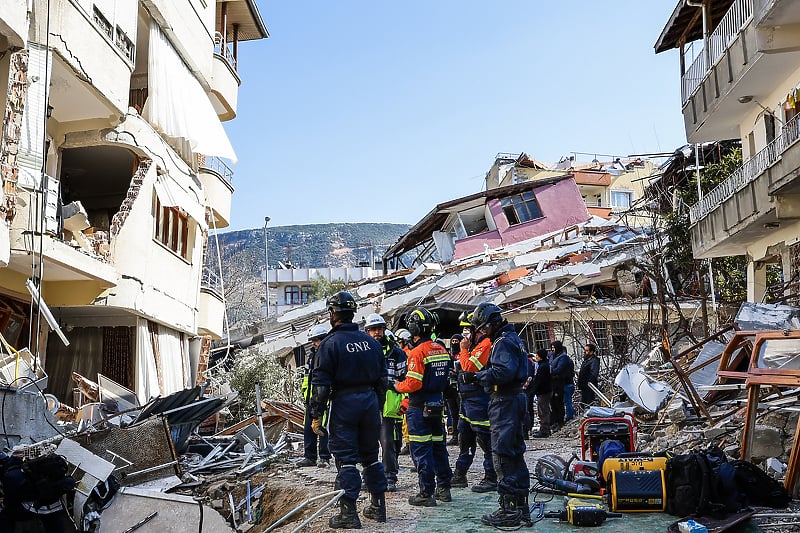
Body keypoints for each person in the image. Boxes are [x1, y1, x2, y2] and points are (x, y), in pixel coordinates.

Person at [309, 291, 388, 528]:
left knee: (346, 459)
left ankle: (349, 514)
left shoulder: (329, 344)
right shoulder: (372, 343)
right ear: (353, 313)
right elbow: (382, 380)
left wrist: (316, 415)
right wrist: (378, 407)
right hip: (370, 403)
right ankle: (378, 507)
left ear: (333, 314)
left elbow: (321, 386)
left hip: (345, 405)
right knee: (371, 456)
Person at [461, 303, 531, 527]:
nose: (481, 332)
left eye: (482, 328)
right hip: (515, 398)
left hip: (504, 401)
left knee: (502, 453)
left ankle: (508, 510)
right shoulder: (514, 339)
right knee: (515, 452)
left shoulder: (502, 342)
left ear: (491, 324)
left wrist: (478, 377)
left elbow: (502, 372)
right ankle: (521, 507)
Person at [393, 307, 453, 507]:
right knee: (439, 448)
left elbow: (413, 384)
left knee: (421, 450)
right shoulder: (441, 348)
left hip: (419, 409)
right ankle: (444, 489)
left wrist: (396, 386)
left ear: (413, 328)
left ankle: (426, 493)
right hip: (437, 406)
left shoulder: (417, 352)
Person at [452, 311, 497, 493]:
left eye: (467, 329)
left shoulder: (485, 344)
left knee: (485, 440)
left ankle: (491, 477)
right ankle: (460, 474)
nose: (464, 334)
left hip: (480, 399)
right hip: (467, 400)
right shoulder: (474, 345)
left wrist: (463, 350)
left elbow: (470, 367)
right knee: (465, 438)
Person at [364, 313, 407, 493]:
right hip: (368, 402)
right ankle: (368, 477)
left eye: (380, 329)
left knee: (388, 441)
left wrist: (403, 402)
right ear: (367, 331)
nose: (377, 333)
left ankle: (390, 477)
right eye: (373, 329)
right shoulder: (364, 351)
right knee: (367, 442)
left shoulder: (396, 353)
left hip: (389, 404)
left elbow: (405, 379)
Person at [298, 324, 332, 468]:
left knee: (322, 428)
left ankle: (325, 457)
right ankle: (310, 457)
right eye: (312, 340)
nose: (314, 343)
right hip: (311, 399)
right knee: (308, 428)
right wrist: (306, 396)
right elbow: (307, 379)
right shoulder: (311, 357)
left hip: (325, 399)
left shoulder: (329, 356)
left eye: (316, 340)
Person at [395, 328, 413, 456]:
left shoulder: (407, 354)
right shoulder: (405, 352)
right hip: (406, 387)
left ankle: (409, 443)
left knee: (406, 419)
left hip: (407, 388)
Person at [549, 340, 574, 432]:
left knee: (560, 403)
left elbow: (559, 369)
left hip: (560, 383)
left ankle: (560, 421)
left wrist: (551, 371)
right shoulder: (553, 357)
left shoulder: (563, 358)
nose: (552, 350)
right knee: (554, 404)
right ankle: (555, 421)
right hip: (553, 383)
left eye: (553, 348)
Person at [529, 349, 552, 438]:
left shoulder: (543, 367)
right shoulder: (543, 365)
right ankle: (545, 429)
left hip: (543, 392)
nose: (536, 357)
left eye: (538, 356)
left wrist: (534, 390)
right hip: (544, 391)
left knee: (543, 411)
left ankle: (545, 430)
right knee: (543, 410)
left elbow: (540, 381)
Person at [444, 334, 462, 446]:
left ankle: (462, 435)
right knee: (453, 413)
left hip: (461, 388)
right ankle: (455, 435)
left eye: (457, 341)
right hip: (450, 389)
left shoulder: (464, 354)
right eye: (453, 341)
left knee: (461, 413)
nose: (454, 343)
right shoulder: (449, 355)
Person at [577, 343, 601, 410]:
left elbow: (593, 374)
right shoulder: (586, 360)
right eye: (584, 350)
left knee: (589, 404)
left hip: (590, 387)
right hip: (584, 386)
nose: (584, 352)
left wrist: (588, 382)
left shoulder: (594, 361)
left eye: (587, 350)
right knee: (583, 404)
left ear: (591, 352)